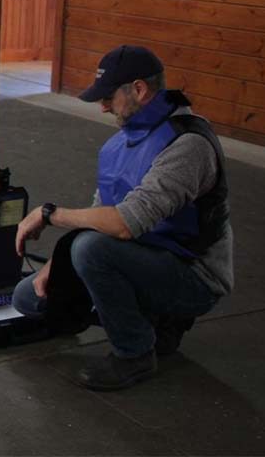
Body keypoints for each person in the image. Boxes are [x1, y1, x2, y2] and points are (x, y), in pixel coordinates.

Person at [13, 45, 233, 391]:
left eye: (108, 96)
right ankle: (156, 325)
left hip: (193, 275)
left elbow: (126, 223)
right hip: (142, 259)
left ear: (140, 90)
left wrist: (48, 214)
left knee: (90, 250)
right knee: (27, 298)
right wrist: (56, 264)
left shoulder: (188, 145)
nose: (102, 106)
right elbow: (100, 212)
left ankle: (135, 354)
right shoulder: (119, 145)